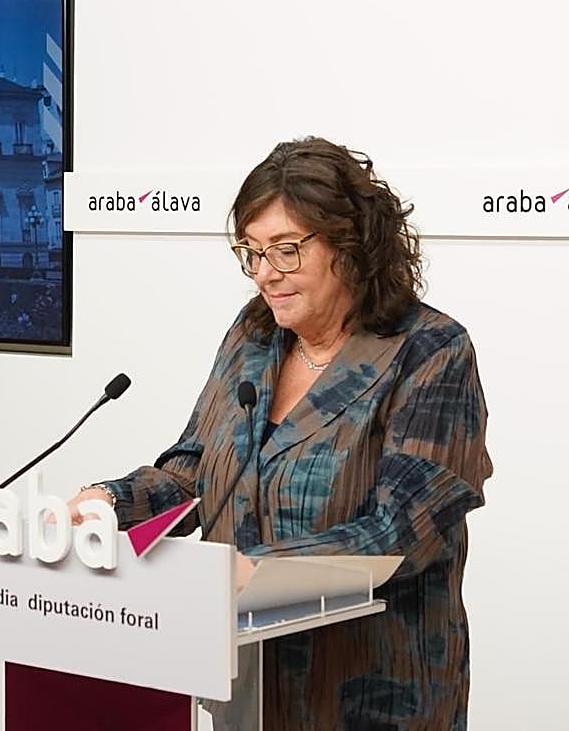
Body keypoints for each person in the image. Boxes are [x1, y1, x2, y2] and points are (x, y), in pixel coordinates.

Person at [70, 137, 492, 730]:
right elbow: (197, 475)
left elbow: (402, 532)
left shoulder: (429, 351)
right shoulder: (255, 335)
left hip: (371, 698)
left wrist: (257, 571)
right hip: (249, 688)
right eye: (252, 252)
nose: (266, 274)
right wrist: (109, 504)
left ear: (351, 244)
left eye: (286, 250)